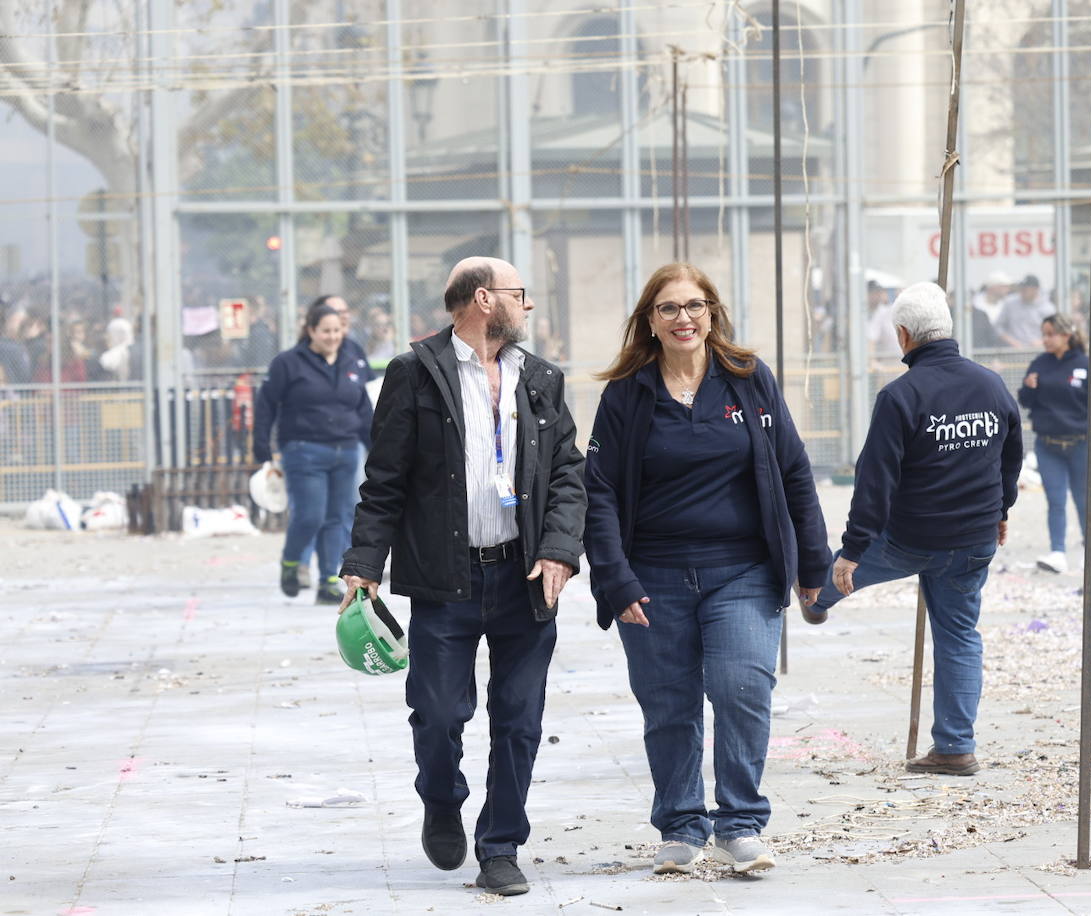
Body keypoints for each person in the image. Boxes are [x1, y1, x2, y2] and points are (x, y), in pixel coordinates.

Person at [340, 257, 586, 898]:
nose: (527, 306)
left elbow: (568, 474)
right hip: (444, 580)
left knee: (520, 718)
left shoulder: (541, 379)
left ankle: (501, 845)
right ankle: (442, 798)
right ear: (484, 299)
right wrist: (364, 566)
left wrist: (560, 550)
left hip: (526, 576)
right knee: (439, 714)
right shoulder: (414, 374)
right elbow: (384, 481)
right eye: (518, 294)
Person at [583, 262, 829, 876]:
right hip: (653, 576)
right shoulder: (628, 394)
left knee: (741, 688)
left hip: (742, 570)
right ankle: (681, 824)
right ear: (650, 321)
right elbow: (601, 492)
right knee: (668, 704)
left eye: (694, 306)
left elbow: (794, 471)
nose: (683, 318)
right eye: (668, 308)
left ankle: (741, 822)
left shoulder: (748, 380)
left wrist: (814, 562)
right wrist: (614, 578)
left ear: (712, 313)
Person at [802, 282, 1022, 778]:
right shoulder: (990, 385)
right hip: (972, 542)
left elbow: (875, 480)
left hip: (910, 539)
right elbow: (1011, 453)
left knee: (838, 570)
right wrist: (1002, 509)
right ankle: (955, 746)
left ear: (903, 335)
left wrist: (854, 549)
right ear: (946, 327)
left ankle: (816, 599)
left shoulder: (901, 395)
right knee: (960, 636)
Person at [253, 301, 373, 604]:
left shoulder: (351, 361)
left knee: (339, 517)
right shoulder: (288, 363)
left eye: (337, 331)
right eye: (326, 331)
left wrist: (376, 446)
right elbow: (266, 404)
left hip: (345, 450)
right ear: (311, 331)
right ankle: (292, 564)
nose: (333, 337)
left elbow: (363, 409)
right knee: (310, 515)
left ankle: (329, 581)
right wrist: (262, 445)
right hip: (304, 450)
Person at [1017, 314, 1091, 574]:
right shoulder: (1040, 363)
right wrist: (1028, 388)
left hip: (1081, 445)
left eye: (1050, 333)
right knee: (1055, 499)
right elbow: (1026, 401)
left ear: (1066, 335)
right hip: (1047, 445)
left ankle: (1090, 550)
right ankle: (1057, 552)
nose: (1045, 339)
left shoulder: (1086, 365)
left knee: (1084, 499)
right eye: (1043, 334)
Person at [994, 275, 1053, 348]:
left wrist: (1041, 341)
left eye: (1025, 289)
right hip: (1013, 351)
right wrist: (1011, 341)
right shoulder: (1010, 303)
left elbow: (1054, 332)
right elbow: (998, 327)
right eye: (1021, 289)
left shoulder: (1048, 308)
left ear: (1035, 289)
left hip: (1037, 350)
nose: (1022, 292)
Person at [866, 280, 902, 360]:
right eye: (874, 293)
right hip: (884, 361)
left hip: (898, 361)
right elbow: (871, 338)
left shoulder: (887, 310)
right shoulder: (863, 313)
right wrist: (872, 361)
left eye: (879, 292)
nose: (877, 295)